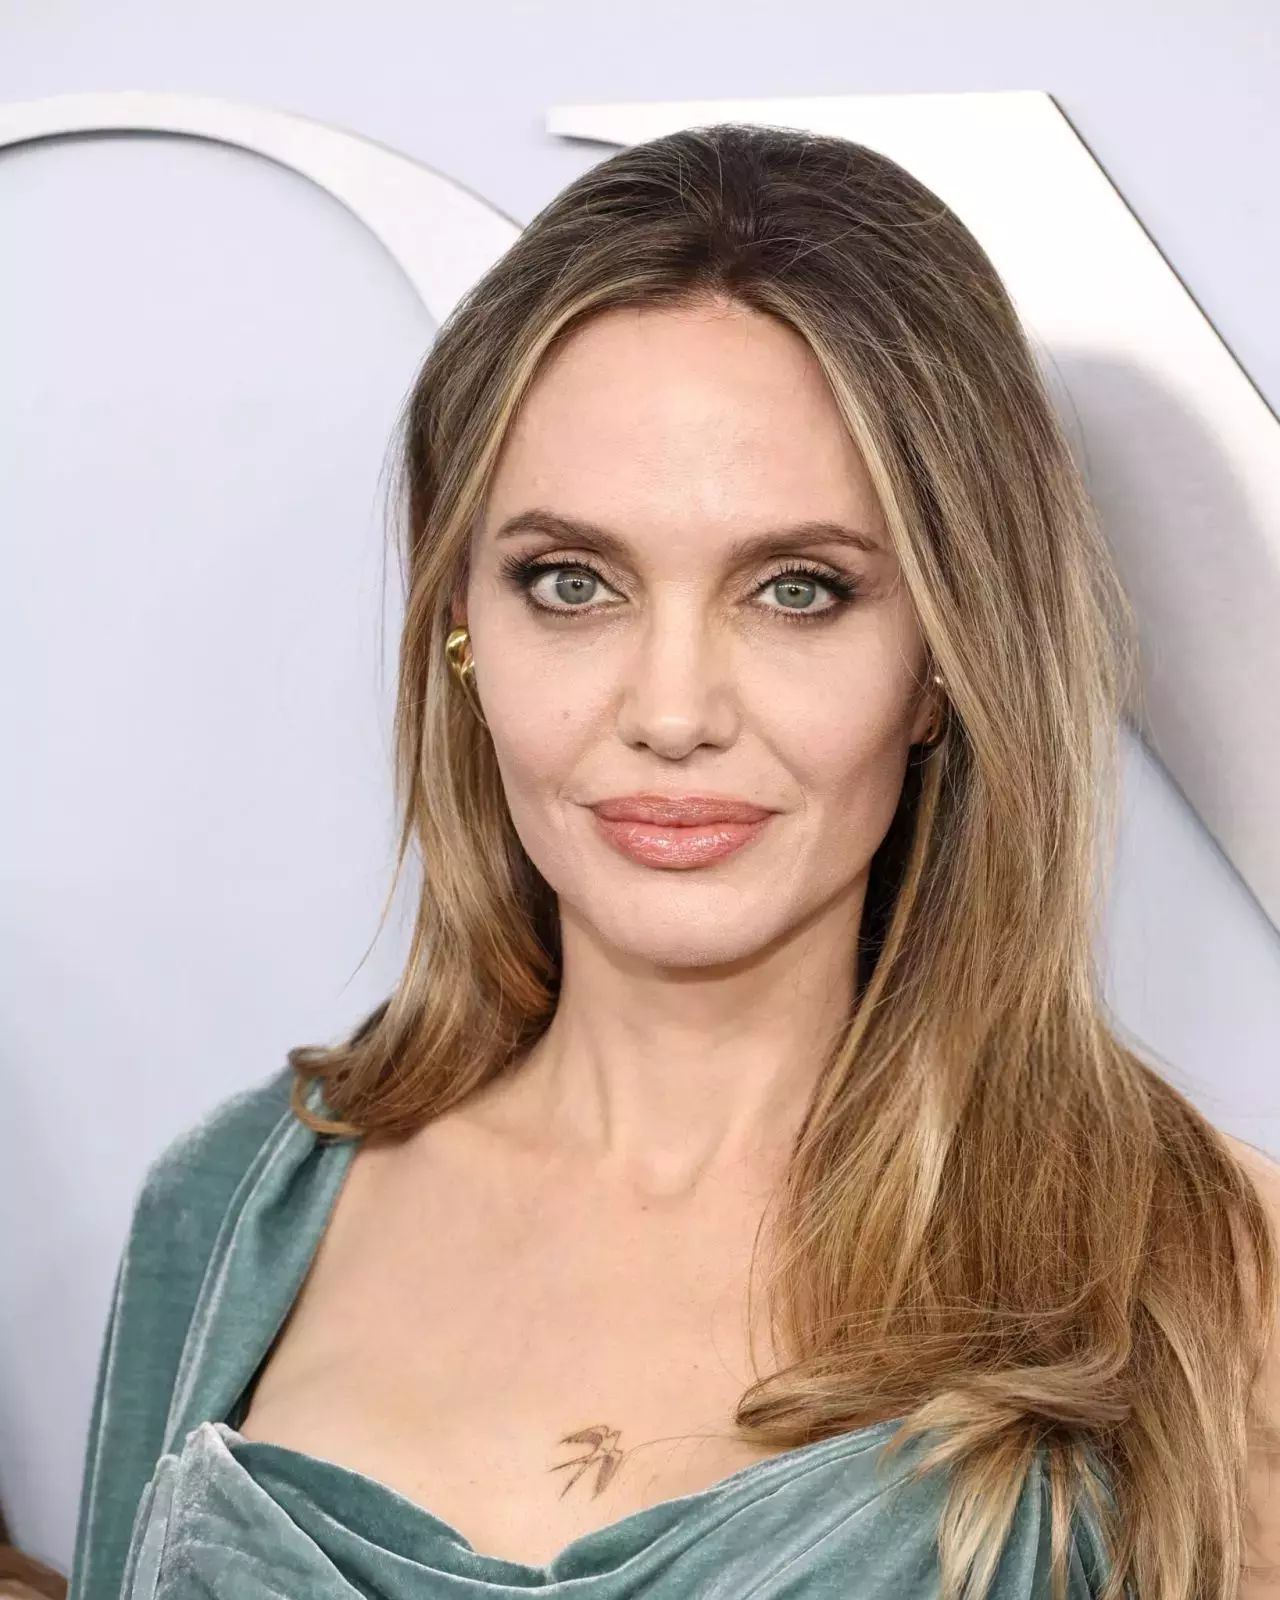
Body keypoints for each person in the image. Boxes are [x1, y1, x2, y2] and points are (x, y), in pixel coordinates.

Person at [68, 122, 1280, 1600]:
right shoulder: (234, 1205)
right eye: (571, 583)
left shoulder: (1207, 1277)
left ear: (944, 660)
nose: (671, 712)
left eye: (797, 590)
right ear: (462, 624)